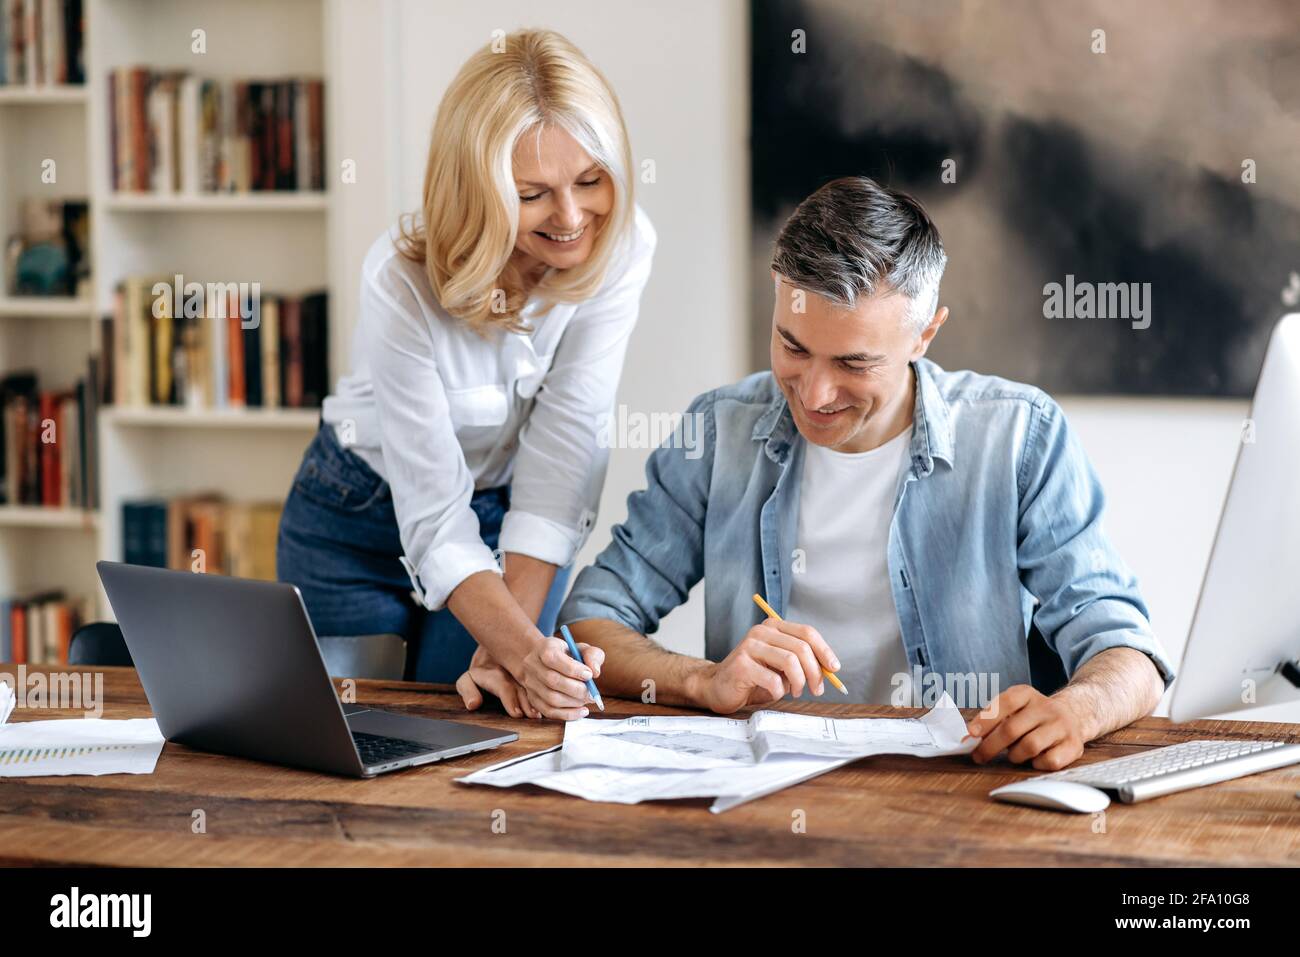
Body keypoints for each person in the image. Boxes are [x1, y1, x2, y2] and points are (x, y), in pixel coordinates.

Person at [557, 175, 1174, 771]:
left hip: (961, 786)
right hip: (761, 787)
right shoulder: (719, 434)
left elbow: (1128, 651)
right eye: (793, 347)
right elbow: (589, 621)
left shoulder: (1020, 436)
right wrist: (704, 680)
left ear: (925, 334)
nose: (816, 393)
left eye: (854, 362)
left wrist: (1077, 710)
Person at [277, 29, 656, 720]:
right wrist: (522, 648)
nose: (573, 218)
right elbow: (431, 516)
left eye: (590, 180)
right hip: (353, 514)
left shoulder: (623, 251)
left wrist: (519, 655)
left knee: (477, 724)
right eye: (533, 193)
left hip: (509, 515)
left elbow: (565, 449)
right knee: (355, 734)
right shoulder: (400, 282)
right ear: (479, 189)